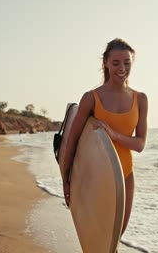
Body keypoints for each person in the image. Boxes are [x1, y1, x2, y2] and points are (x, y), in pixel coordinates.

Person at [62, 38, 148, 234]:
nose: (122, 68)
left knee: (114, 238)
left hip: (124, 176)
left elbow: (140, 144)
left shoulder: (140, 99)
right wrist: (66, 180)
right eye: (116, 62)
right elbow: (72, 142)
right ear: (106, 64)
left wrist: (114, 134)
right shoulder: (91, 98)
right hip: (95, 176)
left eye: (127, 62)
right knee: (97, 237)